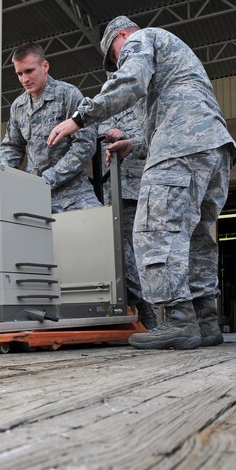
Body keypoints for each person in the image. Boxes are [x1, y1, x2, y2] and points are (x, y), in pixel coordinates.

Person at [47, 16, 236, 350]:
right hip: (214, 148)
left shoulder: (142, 39)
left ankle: (179, 321)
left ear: (121, 35)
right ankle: (206, 321)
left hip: (181, 146)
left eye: (114, 55)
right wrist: (132, 145)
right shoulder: (178, 59)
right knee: (196, 236)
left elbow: (129, 80)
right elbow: (171, 116)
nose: (115, 63)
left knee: (155, 228)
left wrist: (80, 118)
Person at [0, 42, 101, 213]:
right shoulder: (18, 106)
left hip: (73, 193)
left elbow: (85, 144)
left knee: (98, 231)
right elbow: (12, 147)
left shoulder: (68, 94)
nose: (24, 79)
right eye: (19, 73)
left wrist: (50, 177)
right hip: (35, 195)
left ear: (45, 66)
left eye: (29, 71)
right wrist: (1, 174)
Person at [98, 102, 157, 329]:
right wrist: (106, 133)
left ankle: (147, 309)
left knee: (139, 254)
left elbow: (153, 137)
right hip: (109, 192)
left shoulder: (145, 104)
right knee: (117, 255)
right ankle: (135, 306)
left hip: (137, 191)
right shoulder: (102, 107)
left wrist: (126, 135)